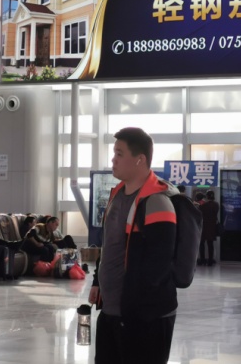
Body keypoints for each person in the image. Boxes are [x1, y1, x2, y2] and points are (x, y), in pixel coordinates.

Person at [89, 127, 178, 364]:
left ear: (140, 159)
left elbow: (158, 266)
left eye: (119, 154)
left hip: (145, 318)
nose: (113, 159)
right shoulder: (117, 195)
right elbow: (109, 244)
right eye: (114, 153)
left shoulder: (157, 202)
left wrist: (135, 312)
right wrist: (98, 281)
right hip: (111, 312)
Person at [198, 190, 220, 266]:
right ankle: (210, 260)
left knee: (202, 244)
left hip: (204, 227)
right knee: (210, 244)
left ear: (207, 196)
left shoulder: (204, 205)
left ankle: (202, 259)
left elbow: (199, 211)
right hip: (212, 227)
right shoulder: (216, 204)